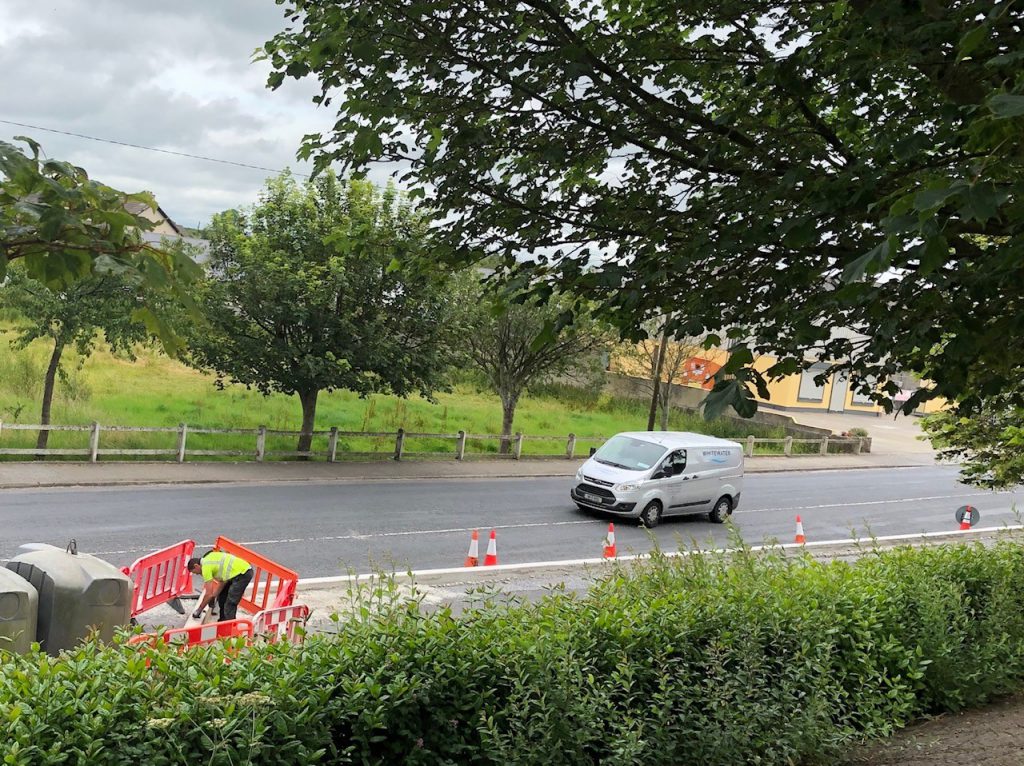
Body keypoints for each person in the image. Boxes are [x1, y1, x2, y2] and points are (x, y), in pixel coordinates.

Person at [187, 550, 253, 622]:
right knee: (222, 597)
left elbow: (208, 594)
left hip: (242, 573)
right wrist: (214, 596)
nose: (197, 574)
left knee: (230, 602)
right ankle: (222, 622)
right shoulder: (210, 557)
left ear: (196, 566)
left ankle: (229, 627)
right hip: (238, 572)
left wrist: (199, 610)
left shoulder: (205, 567)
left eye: (195, 572)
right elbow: (222, 582)